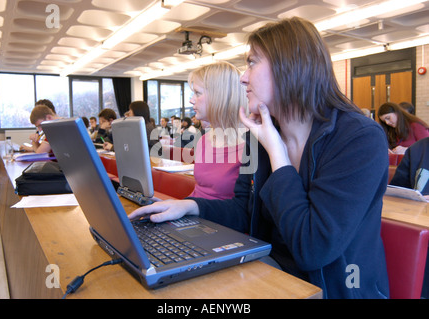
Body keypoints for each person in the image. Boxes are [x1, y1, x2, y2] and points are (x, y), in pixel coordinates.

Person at [129, 17, 390, 299]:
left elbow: (313, 249)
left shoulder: (359, 138)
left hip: (332, 289)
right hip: (269, 272)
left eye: (252, 62)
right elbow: (245, 212)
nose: (243, 77)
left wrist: (277, 154)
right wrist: (190, 207)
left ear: (289, 66)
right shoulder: (260, 136)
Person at [186, 61, 248, 200]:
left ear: (219, 96)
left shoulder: (249, 146)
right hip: (197, 217)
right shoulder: (203, 140)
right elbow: (199, 193)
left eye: (197, 93)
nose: (191, 100)